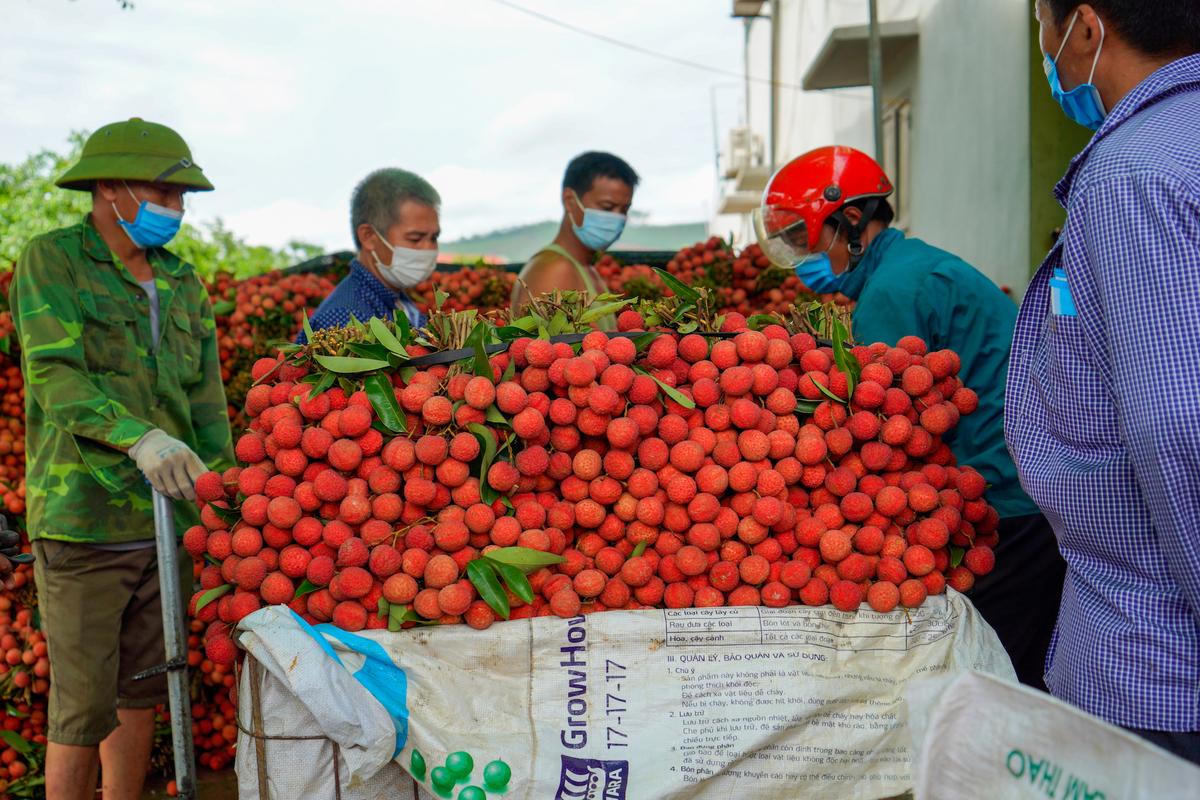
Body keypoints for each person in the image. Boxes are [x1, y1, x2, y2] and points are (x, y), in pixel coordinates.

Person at [756, 146, 1065, 690]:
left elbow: (877, 429)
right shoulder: (912, 267)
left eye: (804, 241)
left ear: (850, 219)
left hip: (1003, 503)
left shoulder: (895, 292)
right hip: (1021, 486)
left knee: (994, 687)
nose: (802, 259)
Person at [10, 118, 234, 800]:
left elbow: (206, 404)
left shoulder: (182, 281)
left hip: (166, 522)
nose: (177, 207)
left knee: (145, 687)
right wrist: (138, 437)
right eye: (163, 191)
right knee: (82, 708)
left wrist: (224, 497)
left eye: (181, 195)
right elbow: (55, 378)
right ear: (110, 188)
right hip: (84, 520)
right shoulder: (53, 261)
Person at [1007, 0, 1200, 764]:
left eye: (1042, 27)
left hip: (1160, 668)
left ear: (1084, 27)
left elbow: (1179, 428)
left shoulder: (1134, 174)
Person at [298, 168, 440, 341]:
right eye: (415, 238)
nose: (429, 248)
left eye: (433, 237)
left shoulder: (396, 299)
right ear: (369, 237)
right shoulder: (347, 319)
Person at [510, 151, 638, 324]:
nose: (618, 218)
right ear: (570, 200)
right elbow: (543, 348)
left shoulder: (586, 268)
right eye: (607, 207)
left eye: (624, 210)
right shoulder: (556, 270)